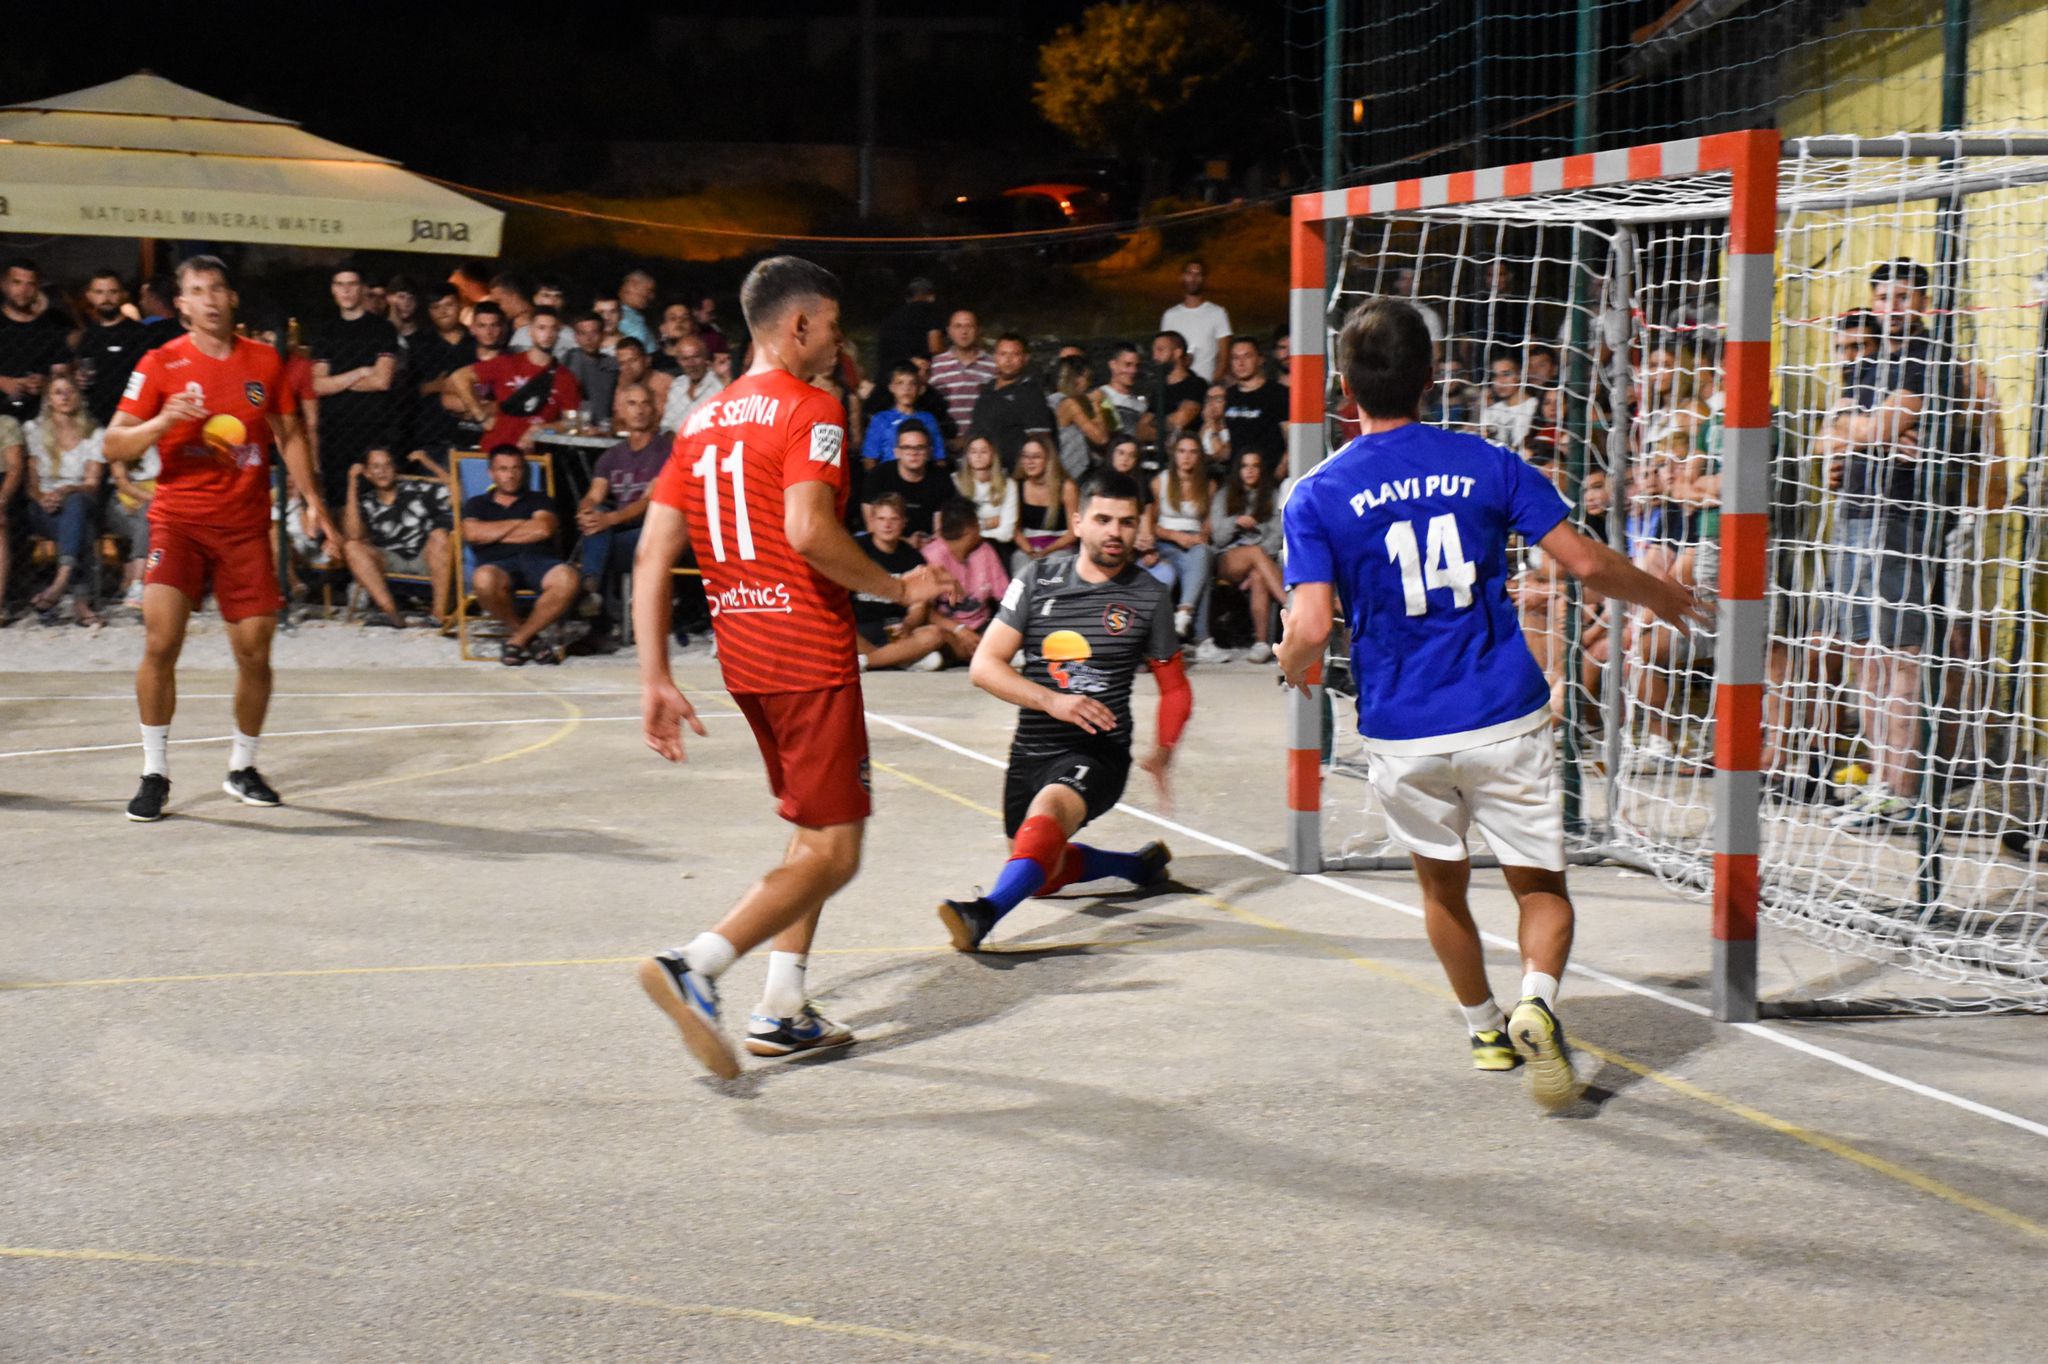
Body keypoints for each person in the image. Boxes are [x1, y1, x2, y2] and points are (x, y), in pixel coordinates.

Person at [1275, 298, 1706, 1109]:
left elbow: (1309, 626)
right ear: (1432, 377)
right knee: (1540, 891)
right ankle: (1536, 1000)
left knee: (1441, 891)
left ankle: (1484, 1028)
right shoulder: (1487, 461)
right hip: (1504, 712)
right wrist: (1659, 594)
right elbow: (1584, 563)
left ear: (1343, 387)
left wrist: (1291, 664)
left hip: (1403, 728)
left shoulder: (1316, 492)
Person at [630, 254, 957, 1077]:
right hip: (808, 651)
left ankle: (783, 1007)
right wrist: (899, 586)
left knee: (812, 832)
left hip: (744, 653)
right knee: (837, 852)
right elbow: (810, 531)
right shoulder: (812, 408)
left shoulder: (698, 422)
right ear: (799, 324)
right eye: (835, 330)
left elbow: (650, 556)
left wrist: (655, 676)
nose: (840, 348)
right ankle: (696, 964)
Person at [104, 254, 333, 822]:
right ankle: (154, 773)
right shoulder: (160, 363)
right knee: (161, 641)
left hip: (245, 526)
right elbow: (113, 443)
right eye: (197, 290)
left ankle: (242, 766)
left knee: (255, 651)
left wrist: (312, 501)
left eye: (217, 289)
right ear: (181, 304)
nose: (209, 299)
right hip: (178, 521)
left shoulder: (264, 360)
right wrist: (163, 421)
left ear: (232, 299)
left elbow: (290, 435)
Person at [937, 468, 1188, 950]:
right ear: (1078, 523)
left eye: (1127, 522)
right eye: (1103, 519)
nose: (1115, 532)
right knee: (1042, 872)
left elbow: (1175, 687)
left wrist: (1164, 750)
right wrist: (1052, 701)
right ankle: (1136, 866)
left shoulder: (1148, 595)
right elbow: (984, 666)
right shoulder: (1037, 579)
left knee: (1050, 813)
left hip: (1099, 749)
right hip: (1032, 745)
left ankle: (983, 914)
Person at [461, 445, 580, 666]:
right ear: (491, 473)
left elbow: (543, 529)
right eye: (503, 469)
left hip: (538, 561)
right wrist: (521, 524)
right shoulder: (476, 504)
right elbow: (473, 534)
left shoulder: (539, 499)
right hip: (497, 565)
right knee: (482, 579)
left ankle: (517, 640)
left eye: (516, 468)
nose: (511, 474)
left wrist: (494, 532)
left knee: (568, 577)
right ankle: (530, 638)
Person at [311, 266, 400, 510]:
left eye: (352, 284)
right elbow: (317, 385)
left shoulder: (383, 329)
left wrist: (336, 382)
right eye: (340, 284)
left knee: (375, 506)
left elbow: (382, 381)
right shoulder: (325, 331)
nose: (346, 290)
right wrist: (360, 372)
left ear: (362, 289)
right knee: (337, 505)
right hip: (335, 434)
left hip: (374, 431)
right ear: (333, 290)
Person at [21, 371, 107, 624]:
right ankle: (81, 604)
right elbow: (31, 485)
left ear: (80, 396)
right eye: (58, 392)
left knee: (76, 504)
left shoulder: (94, 432)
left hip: (81, 499)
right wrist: (43, 498)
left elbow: (92, 484)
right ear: (48, 399)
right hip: (44, 507)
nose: (65, 397)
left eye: (70, 392)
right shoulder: (34, 430)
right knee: (83, 527)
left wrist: (67, 490)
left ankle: (60, 583)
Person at [577, 383, 672, 604]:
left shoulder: (666, 452)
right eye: (632, 404)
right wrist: (586, 512)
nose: (639, 410)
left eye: (645, 404)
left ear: (654, 410)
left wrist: (609, 519)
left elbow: (650, 501)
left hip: (653, 532)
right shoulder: (611, 456)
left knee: (599, 540)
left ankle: (590, 589)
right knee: (596, 524)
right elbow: (594, 495)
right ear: (621, 411)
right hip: (618, 530)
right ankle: (592, 591)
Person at [343, 446, 452, 627]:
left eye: (387, 465)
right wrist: (352, 484)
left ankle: (438, 615)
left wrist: (427, 462)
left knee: (440, 535)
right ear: (367, 473)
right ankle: (392, 614)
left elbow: (454, 493)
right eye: (376, 467)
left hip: (425, 556)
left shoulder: (416, 489)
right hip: (389, 558)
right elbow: (353, 534)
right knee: (352, 547)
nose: (383, 471)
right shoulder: (366, 501)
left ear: (395, 469)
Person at [852, 494, 949, 672]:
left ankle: (871, 661)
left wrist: (908, 625)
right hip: (859, 627)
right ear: (871, 521)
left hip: (896, 630)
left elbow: (919, 606)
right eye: (881, 519)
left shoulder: (913, 557)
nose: (887, 525)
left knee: (934, 634)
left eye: (894, 519)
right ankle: (900, 659)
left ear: (904, 522)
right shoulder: (856, 548)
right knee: (837, 631)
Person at [472, 308, 581, 451]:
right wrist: (478, 412)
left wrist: (540, 428)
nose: (548, 334)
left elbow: (572, 423)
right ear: (530, 331)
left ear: (558, 333)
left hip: (533, 454)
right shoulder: (506, 363)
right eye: (541, 328)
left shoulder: (566, 378)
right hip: (495, 449)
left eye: (553, 329)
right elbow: (459, 378)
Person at [1150, 433, 1215, 649]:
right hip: (1165, 541)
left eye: (1193, 452)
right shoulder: (1161, 481)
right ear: (1174, 455)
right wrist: (1176, 536)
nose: (1186, 457)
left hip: (1194, 543)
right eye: (1182, 451)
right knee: (1202, 573)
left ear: (1199, 456)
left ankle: (1184, 612)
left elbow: (1207, 526)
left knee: (1203, 554)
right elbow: (1151, 525)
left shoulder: (1208, 485)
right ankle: (1202, 638)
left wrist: (1199, 538)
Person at [923, 496, 1010, 658]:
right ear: (970, 530)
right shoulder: (931, 556)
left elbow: (1006, 599)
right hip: (948, 630)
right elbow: (925, 611)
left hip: (982, 627)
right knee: (933, 637)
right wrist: (960, 630)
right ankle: (985, 656)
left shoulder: (985, 551)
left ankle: (980, 654)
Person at [70, 269, 150, 426]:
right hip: (96, 419)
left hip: (132, 418)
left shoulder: (140, 334)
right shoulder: (88, 336)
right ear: (89, 296)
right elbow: (83, 371)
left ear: (123, 295)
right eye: (99, 292)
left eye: (112, 292)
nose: (106, 298)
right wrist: (78, 378)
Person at [969, 333, 1055, 470]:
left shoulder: (1031, 393)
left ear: (1025, 358)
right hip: (984, 473)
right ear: (995, 357)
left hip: (1013, 473)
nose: (1008, 360)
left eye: (1015, 354)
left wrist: (1020, 474)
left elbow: (1040, 439)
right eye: (1003, 354)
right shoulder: (986, 390)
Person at [0, 259, 69, 425]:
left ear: (37, 288)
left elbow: (61, 371)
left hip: (39, 418)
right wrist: (3, 382)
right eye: (17, 282)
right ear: (4, 285)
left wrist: (45, 383)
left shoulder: (50, 327)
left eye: (30, 284)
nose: (23, 290)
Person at [860, 422, 949, 544]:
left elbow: (940, 530)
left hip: (928, 545)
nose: (913, 453)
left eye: (920, 447)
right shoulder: (878, 475)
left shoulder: (941, 478)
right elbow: (872, 528)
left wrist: (927, 543)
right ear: (896, 452)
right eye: (907, 447)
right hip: (884, 542)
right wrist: (907, 542)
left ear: (929, 451)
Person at [927, 309, 995, 454]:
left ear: (978, 330)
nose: (964, 332)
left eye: (968, 326)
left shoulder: (993, 365)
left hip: (982, 446)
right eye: (958, 326)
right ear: (949, 331)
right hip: (945, 446)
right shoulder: (935, 365)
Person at [1221, 336, 1286, 477]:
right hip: (1234, 478)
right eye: (1235, 358)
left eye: (1247, 356)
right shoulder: (1227, 396)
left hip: (1268, 475)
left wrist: (1280, 472)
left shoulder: (1278, 393)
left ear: (1260, 359)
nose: (1241, 363)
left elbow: (1292, 438)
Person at [1160, 258, 1232, 383]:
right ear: (1182, 277)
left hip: (1206, 386)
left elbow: (1224, 357)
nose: (1193, 278)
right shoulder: (1170, 316)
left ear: (1204, 279)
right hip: (1177, 386)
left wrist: (1212, 384)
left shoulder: (1218, 313)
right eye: (1189, 273)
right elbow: (1164, 354)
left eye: (1198, 274)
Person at [1011, 434, 1078, 569]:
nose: (1030, 461)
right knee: (1020, 561)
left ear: (1048, 460)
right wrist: (1030, 551)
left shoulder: (1067, 487)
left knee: (1055, 562)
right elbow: (1014, 530)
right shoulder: (1016, 485)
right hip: (1029, 547)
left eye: (1036, 457)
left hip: (1060, 546)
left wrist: (1046, 551)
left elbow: (1073, 532)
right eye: (1025, 456)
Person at [860, 362, 944, 466]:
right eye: (900, 383)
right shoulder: (881, 419)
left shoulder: (928, 419)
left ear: (920, 389)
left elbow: (939, 457)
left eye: (912, 383)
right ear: (891, 387)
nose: (906, 388)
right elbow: (870, 459)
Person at [954, 433, 1018, 545]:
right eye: (973, 452)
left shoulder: (1009, 485)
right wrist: (986, 524)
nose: (978, 456)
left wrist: (974, 530)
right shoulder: (955, 481)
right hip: (963, 546)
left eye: (984, 451)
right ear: (967, 456)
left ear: (993, 454)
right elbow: (956, 528)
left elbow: (1007, 533)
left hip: (997, 546)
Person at [1050, 354, 1108, 479]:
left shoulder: (1053, 400)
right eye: (1088, 378)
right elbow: (1101, 438)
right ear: (1078, 379)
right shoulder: (1069, 404)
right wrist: (1097, 404)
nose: (1089, 384)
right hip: (1071, 471)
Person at [876, 276, 945, 375]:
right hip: (917, 373)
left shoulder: (891, 317)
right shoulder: (930, 311)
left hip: (888, 373)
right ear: (932, 297)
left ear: (908, 299)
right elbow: (935, 347)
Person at [1150, 330, 1207, 445]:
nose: (1155, 356)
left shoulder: (1196, 384)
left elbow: (1181, 419)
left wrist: (1154, 422)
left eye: (1160, 350)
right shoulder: (1158, 388)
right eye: (1154, 351)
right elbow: (1141, 430)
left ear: (1177, 353)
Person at [659, 335, 725, 434]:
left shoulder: (719, 385)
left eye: (696, 357)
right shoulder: (677, 385)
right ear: (678, 361)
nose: (691, 364)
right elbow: (666, 426)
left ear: (705, 358)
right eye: (685, 359)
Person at [564, 313, 619, 423]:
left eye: (594, 332)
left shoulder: (613, 366)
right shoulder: (569, 360)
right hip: (575, 426)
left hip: (605, 428)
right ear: (576, 337)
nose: (588, 338)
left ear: (603, 335)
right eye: (582, 333)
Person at [1478, 350, 1538, 452]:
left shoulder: (1535, 406)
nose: (1499, 381)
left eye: (1506, 374)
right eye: (1495, 376)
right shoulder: (1490, 411)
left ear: (1520, 375)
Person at [618, 268, 658, 347]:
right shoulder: (617, 316)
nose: (652, 296)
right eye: (649, 290)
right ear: (633, 286)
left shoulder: (638, 316)